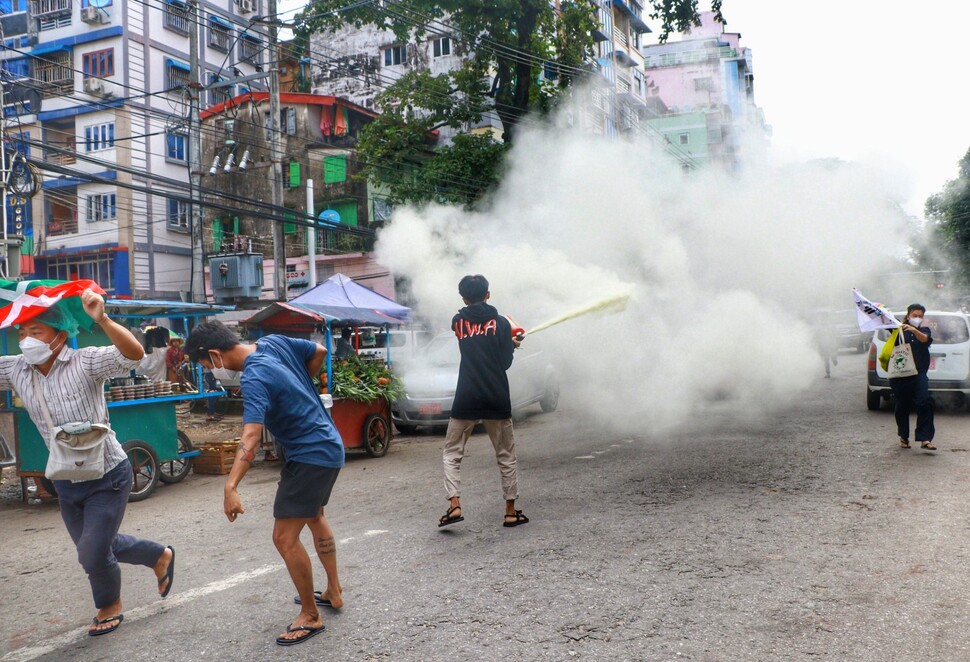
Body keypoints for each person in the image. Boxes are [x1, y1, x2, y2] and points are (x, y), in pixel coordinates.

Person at [0, 290, 175, 636]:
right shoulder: (17, 369)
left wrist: (102, 319)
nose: (26, 340)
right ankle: (158, 556)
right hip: (65, 477)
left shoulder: (85, 361)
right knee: (94, 546)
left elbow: (133, 355)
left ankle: (109, 604)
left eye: (35, 331)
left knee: (92, 552)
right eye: (21, 333)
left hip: (107, 473)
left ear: (59, 336)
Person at [184, 320, 345, 646]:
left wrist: (230, 486)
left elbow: (252, 436)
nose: (208, 371)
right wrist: (300, 389)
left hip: (310, 454)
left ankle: (311, 616)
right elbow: (319, 351)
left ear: (215, 354)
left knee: (284, 538)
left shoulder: (255, 377)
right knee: (314, 516)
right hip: (329, 444)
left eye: (204, 364)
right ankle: (334, 592)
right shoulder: (274, 343)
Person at [438, 274, 528, 529]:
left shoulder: (457, 321)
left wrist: (505, 343)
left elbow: (476, 345)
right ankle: (511, 511)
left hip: (466, 395)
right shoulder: (501, 324)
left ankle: (454, 504)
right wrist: (512, 344)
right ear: (488, 294)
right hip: (495, 395)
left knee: (452, 454)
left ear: (464, 298)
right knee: (506, 455)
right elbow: (504, 362)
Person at [891, 303, 936, 451]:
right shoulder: (897, 329)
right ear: (908, 315)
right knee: (901, 406)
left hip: (919, 374)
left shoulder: (924, 330)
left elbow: (925, 339)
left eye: (920, 316)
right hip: (900, 375)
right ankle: (904, 437)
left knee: (924, 402)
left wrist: (913, 330)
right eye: (914, 315)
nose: (917, 318)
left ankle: (925, 438)